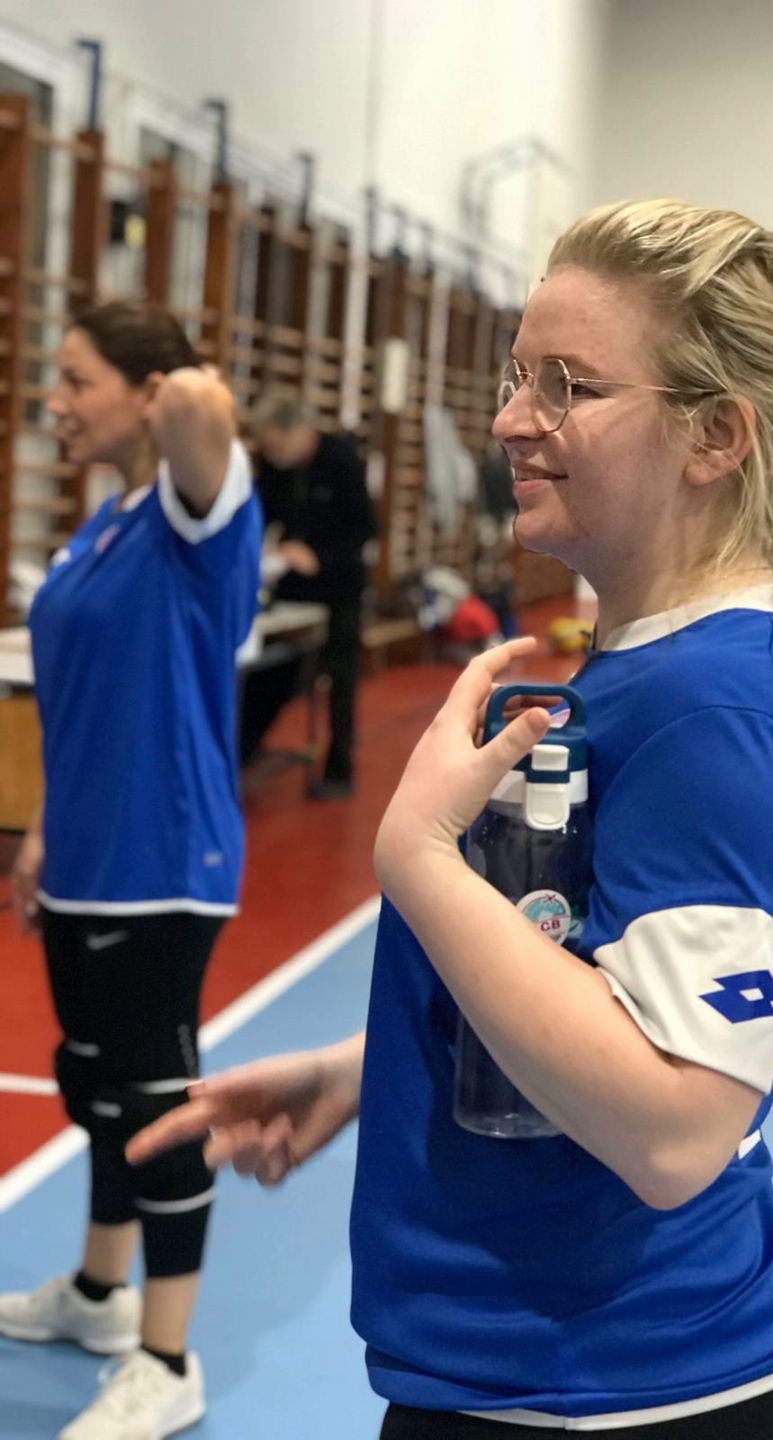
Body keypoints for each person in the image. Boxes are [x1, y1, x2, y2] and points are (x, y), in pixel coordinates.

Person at [130, 200, 773, 1438]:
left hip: (609, 1395)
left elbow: (677, 1125)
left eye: (570, 386)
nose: (514, 419)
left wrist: (419, 861)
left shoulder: (717, 712)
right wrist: (375, 1065)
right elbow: (599, 978)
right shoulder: (655, 668)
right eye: (521, 377)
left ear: (715, 434)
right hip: (530, 1377)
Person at [1, 300, 262, 1439]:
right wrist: (43, 832)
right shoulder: (102, 524)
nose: (53, 402)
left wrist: (168, 385)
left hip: (162, 862)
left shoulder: (195, 515)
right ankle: (102, 1295)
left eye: (76, 380)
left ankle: (166, 1357)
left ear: (146, 394)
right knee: (94, 1084)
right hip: (85, 857)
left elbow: (201, 400)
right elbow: (80, 706)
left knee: (155, 1107)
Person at [245, 394, 379, 799]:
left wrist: (318, 558)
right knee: (269, 668)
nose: (272, 455)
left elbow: (365, 529)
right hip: (290, 584)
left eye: (275, 445)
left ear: (298, 432)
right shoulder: (273, 466)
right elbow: (260, 514)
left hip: (339, 584)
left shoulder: (341, 460)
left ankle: (339, 767)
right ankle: (244, 747)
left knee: (340, 678)